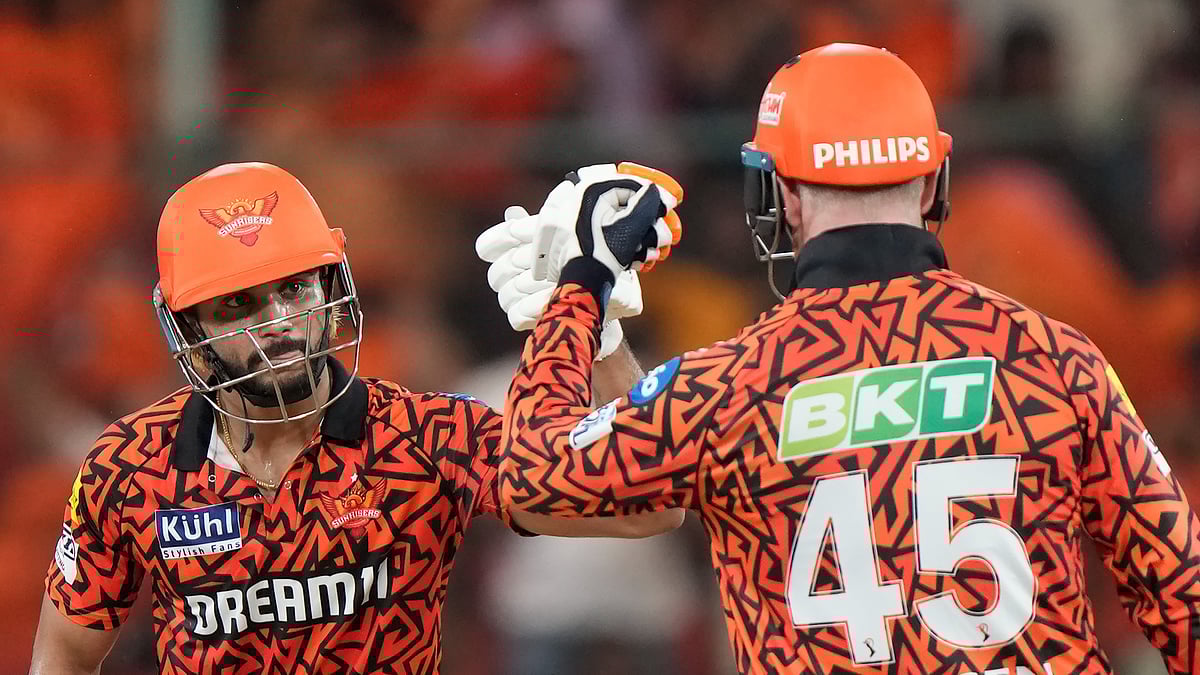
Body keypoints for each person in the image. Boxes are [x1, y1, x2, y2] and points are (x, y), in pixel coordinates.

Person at [495, 43, 1200, 674]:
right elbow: (1183, 599)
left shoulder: (730, 386)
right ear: (931, 182)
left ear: (785, 196)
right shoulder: (1054, 359)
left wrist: (578, 296)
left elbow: (528, 474)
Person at [28, 161, 685, 674]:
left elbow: (651, 502)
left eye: (293, 287)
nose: (279, 322)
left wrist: (594, 322)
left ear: (328, 286)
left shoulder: (424, 439)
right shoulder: (128, 465)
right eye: (240, 305)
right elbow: (64, 654)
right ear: (187, 323)